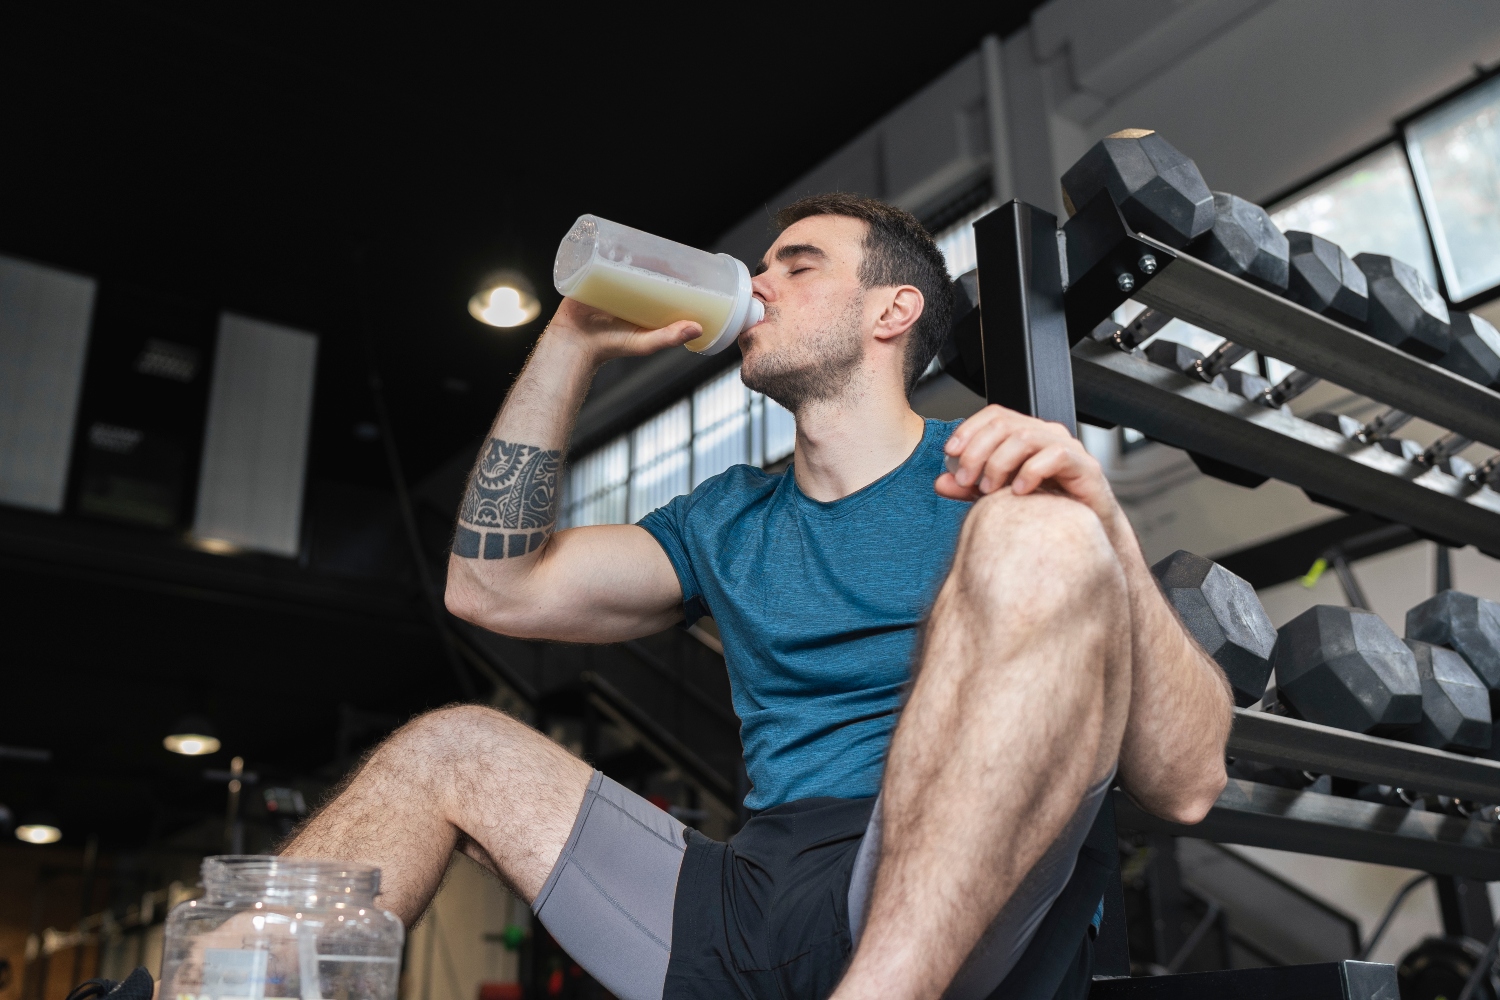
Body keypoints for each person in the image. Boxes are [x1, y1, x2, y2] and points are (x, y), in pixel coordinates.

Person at [281, 194, 1232, 1000]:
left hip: (935, 886)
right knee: (448, 747)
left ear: (892, 310)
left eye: (798, 266)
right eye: (762, 265)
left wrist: (1100, 525)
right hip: (754, 895)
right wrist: (570, 345)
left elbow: (1188, 784)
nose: (758, 283)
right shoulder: (725, 520)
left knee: (1039, 530)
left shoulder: (1001, 466)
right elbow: (489, 587)